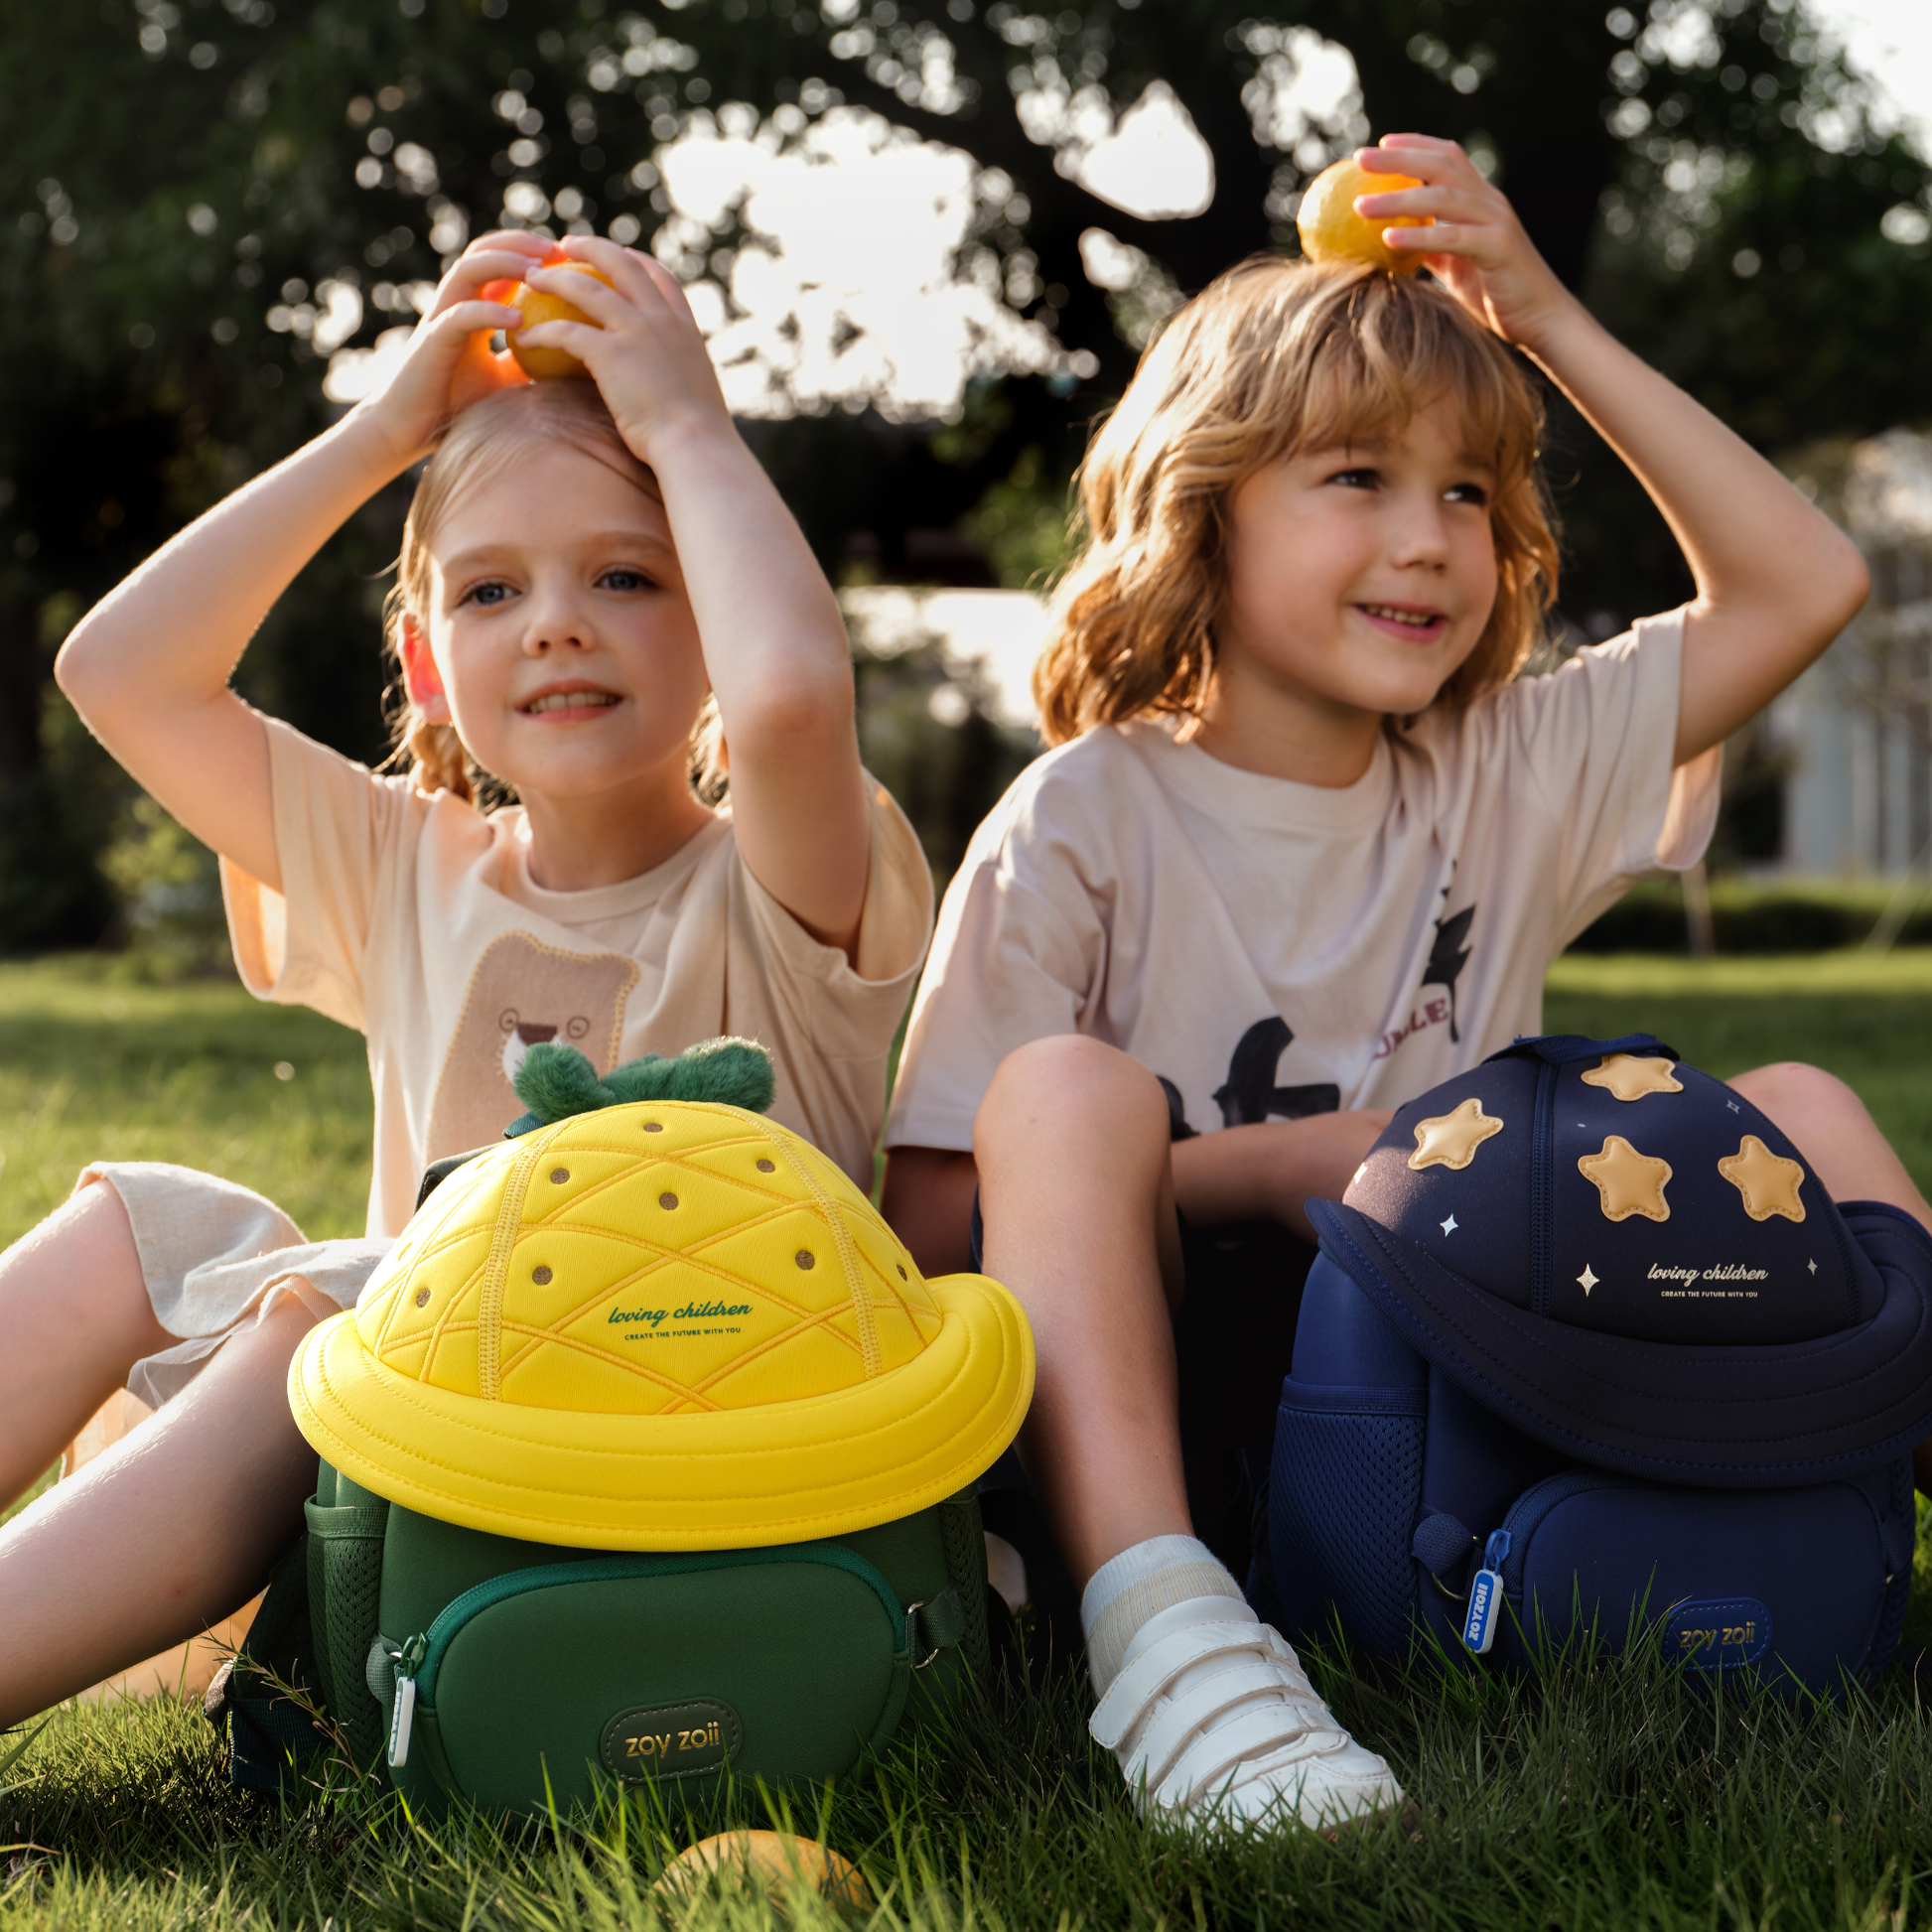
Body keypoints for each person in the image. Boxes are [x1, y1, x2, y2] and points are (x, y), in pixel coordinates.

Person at [882, 135, 1926, 1827]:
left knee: (1796, 1105)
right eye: (1355, 476)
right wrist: (1281, 1163)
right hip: (1167, 1407)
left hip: (1474, 1384)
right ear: (1205, 507)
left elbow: (1803, 582)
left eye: (1467, 490)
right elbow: (932, 1221)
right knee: (1062, 1091)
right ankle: (1168, 1645)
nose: (1429, 539)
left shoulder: (1500, 766)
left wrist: (1543, 322)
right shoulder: (1083, 811)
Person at [0, 233, 931, 1730]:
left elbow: (791, 697)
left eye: (626, 575)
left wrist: (685, 421)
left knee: (319, 1323)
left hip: (693, 1440)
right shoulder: (409, 865)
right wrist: (384, 432)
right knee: (141, 1221)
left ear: (714, 622)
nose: (554, 620)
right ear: (427, 665)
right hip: (421, 1446)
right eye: (488, 593)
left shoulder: (784, 888)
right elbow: (119, 670)